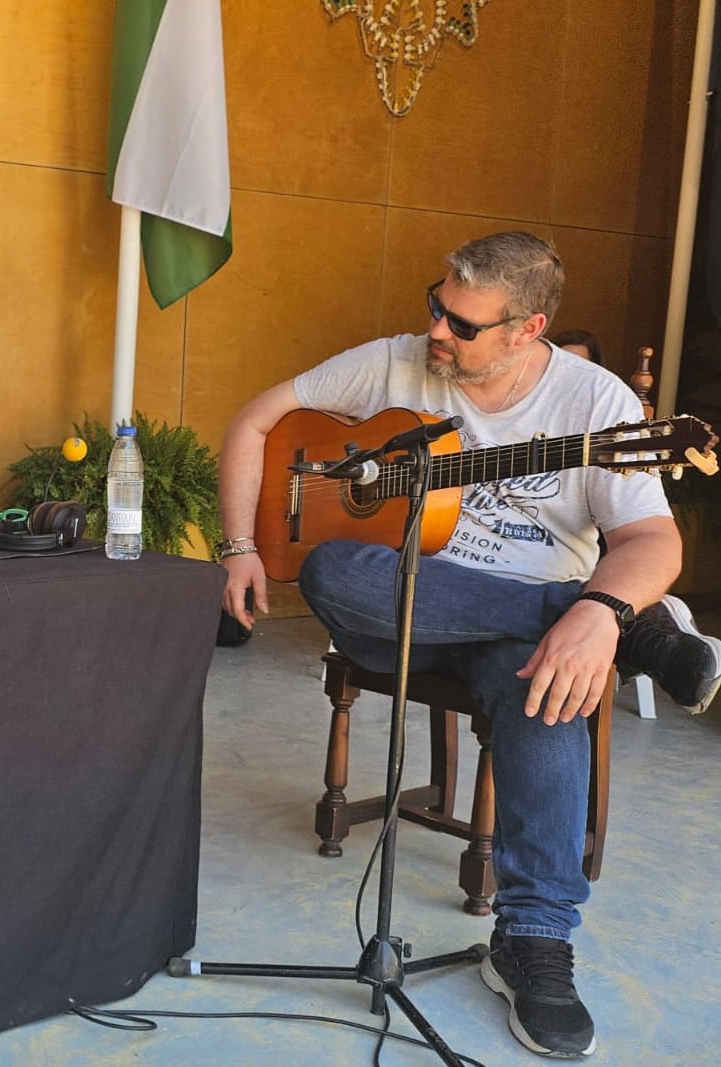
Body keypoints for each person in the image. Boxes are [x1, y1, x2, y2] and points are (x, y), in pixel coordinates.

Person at [219, 232, 684, 1058]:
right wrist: (240, 546)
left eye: (461, 325)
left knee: (545, 679)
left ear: (525, 329)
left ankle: (533, 941)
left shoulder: (595, 404)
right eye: (436, 306)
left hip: (510, 640)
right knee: (332, 567)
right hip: (400, 609)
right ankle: (609, 626)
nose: (436, 331)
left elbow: (651, 539)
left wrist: (600, 609)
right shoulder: (398, 361)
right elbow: (256, 420)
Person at [550, 328, 721, 712]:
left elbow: (639, 530)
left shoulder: (608, 428)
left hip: (586, 551)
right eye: (562, 365)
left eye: (582, 366)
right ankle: (646, 629)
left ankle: (635, 621)